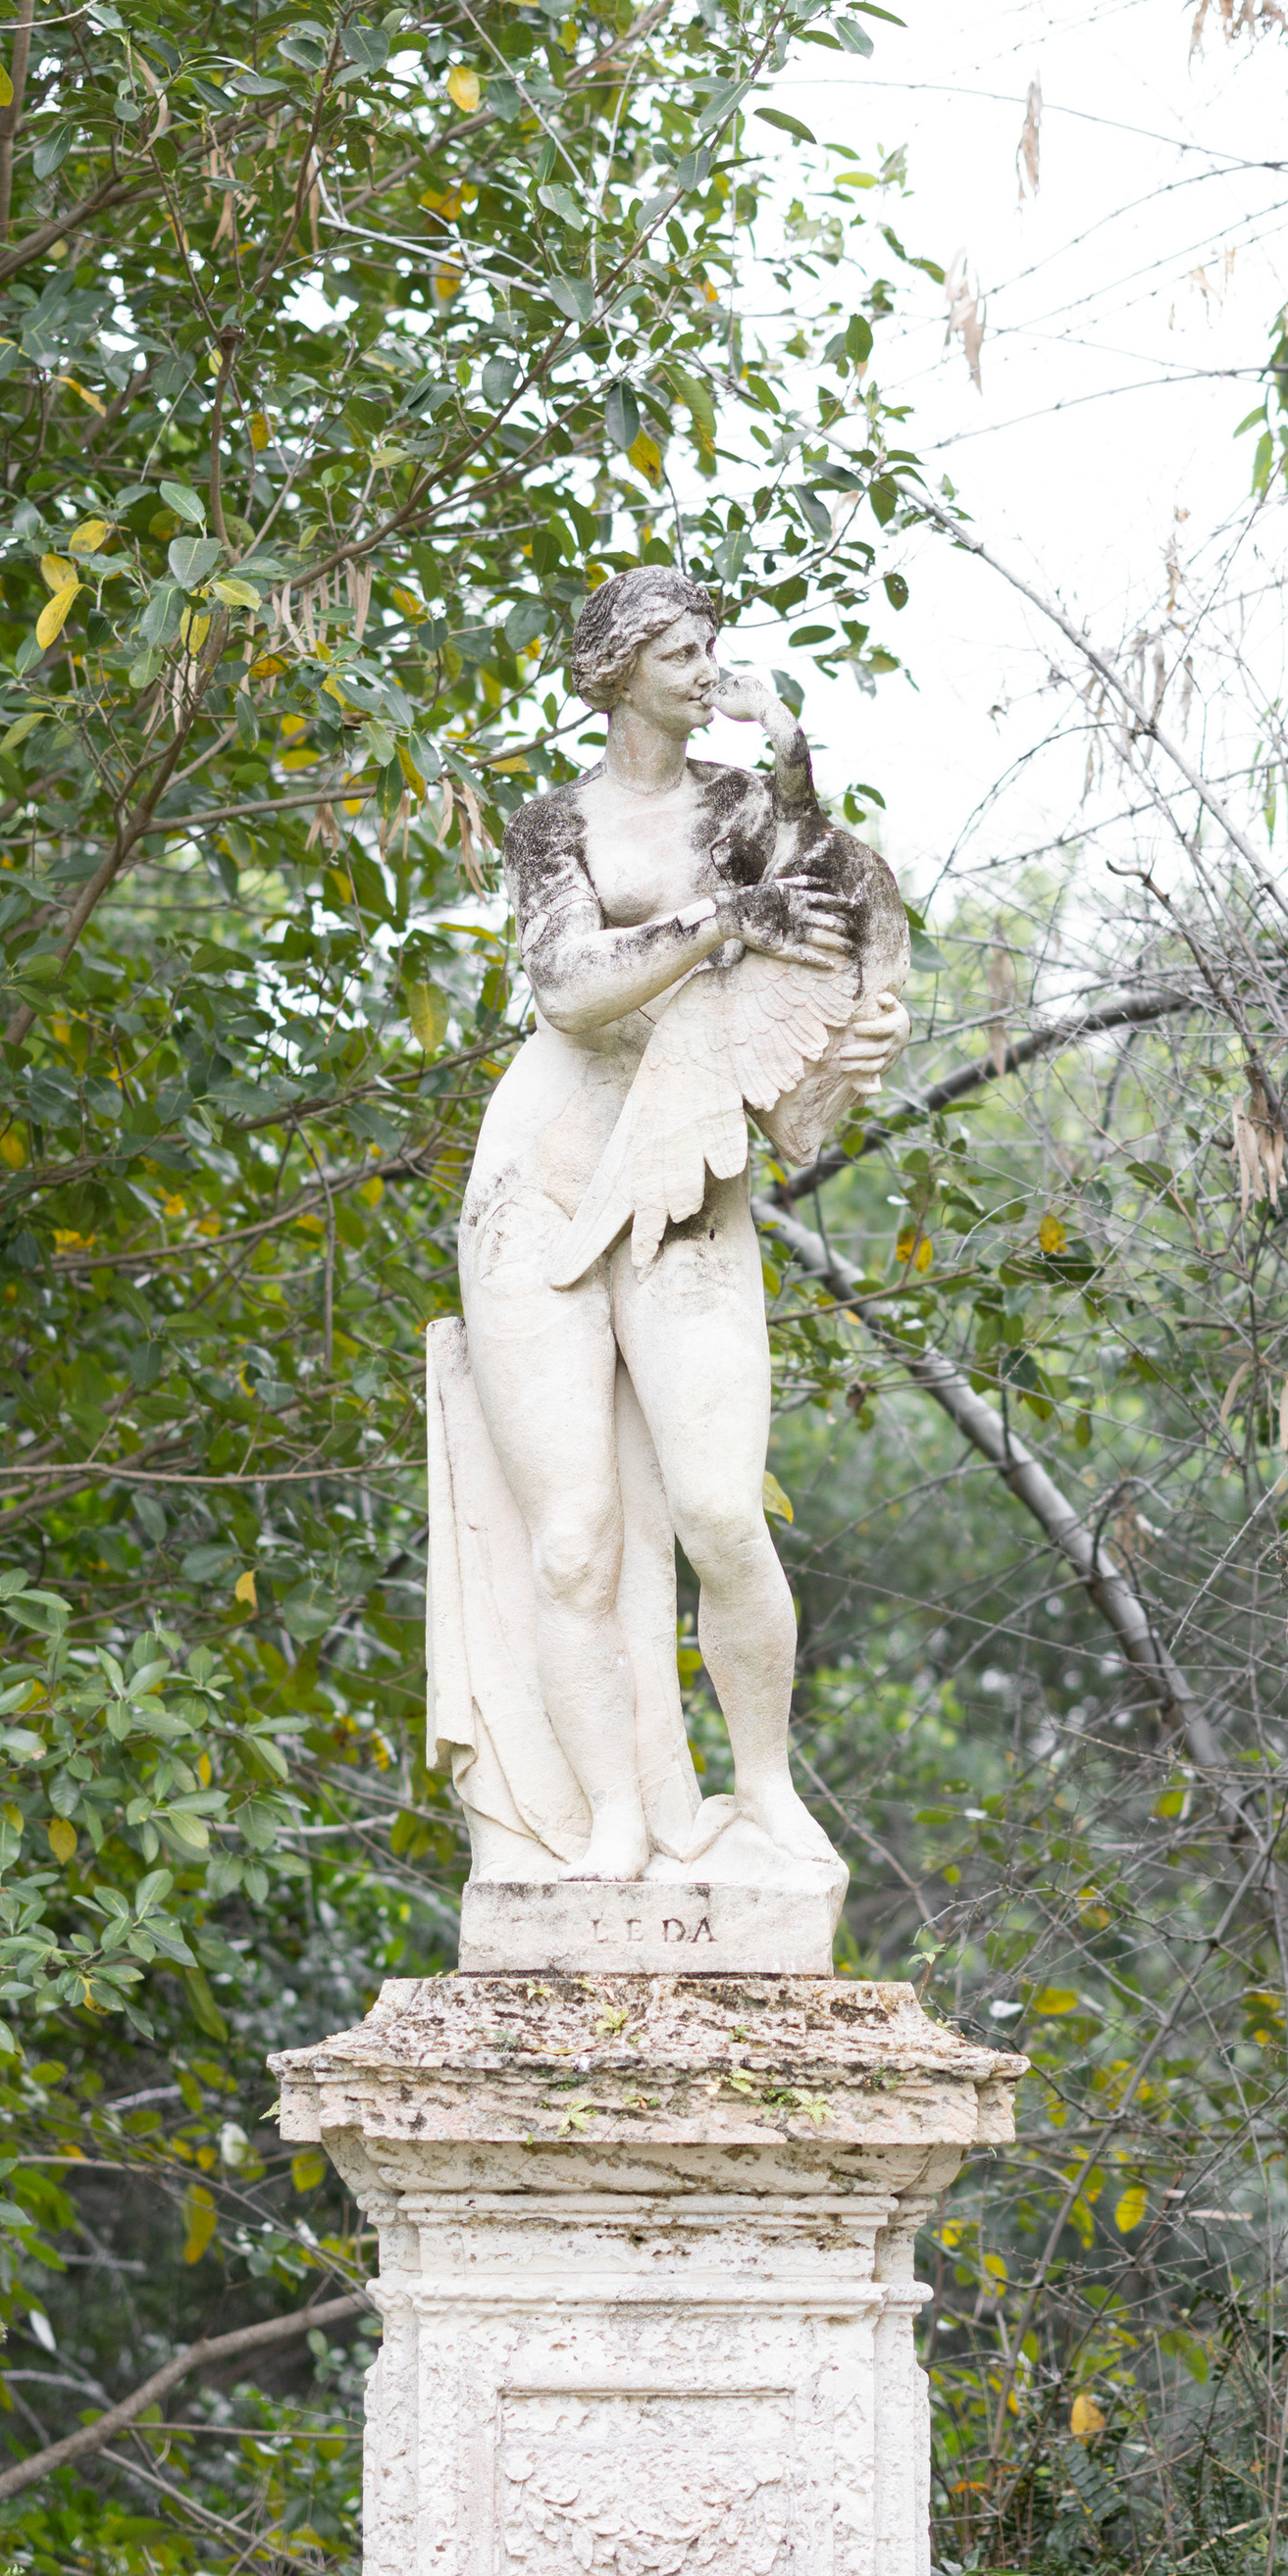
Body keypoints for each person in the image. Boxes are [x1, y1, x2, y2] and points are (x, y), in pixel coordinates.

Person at [426, 567, 909, 1892]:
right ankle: (616, 1820)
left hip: (686, 1173)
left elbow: (844, 912)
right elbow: (568, 988)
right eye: (681, 653)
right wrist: (724, 920)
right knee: (572, 1540)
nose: (706, 672)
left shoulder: (740, 807)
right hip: (541, 1175)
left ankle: (763, 1789)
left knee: (718, 1510)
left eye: (711, 650)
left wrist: (795, 769)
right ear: (619, 669)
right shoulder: (551, 824)